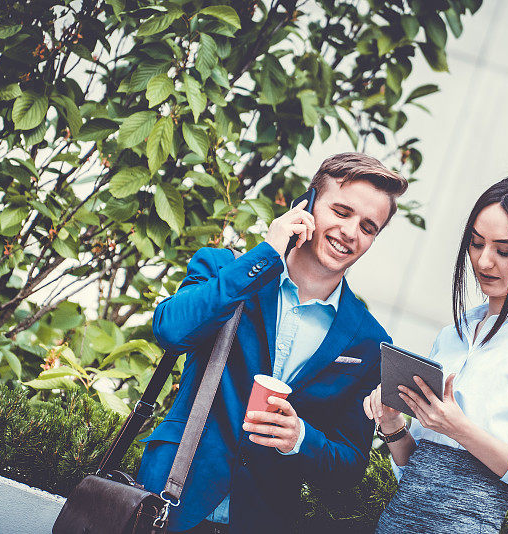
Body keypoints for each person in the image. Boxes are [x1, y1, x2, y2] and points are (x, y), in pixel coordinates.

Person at [137, 153, 408, 533]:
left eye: (368, 226)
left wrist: (301, 439)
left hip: (261, 520)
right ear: (308, 204)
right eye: (341, 212)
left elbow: (348, 466)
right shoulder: (225, 270)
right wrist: (266, 254)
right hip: (168, 501)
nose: (350, 232)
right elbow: (170, 330)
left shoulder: (368, 340)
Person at [364, 175, 508, 533]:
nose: (483, 262)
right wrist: (392, 427)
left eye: (504, 250)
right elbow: (414, 468)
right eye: (476, 243)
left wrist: (461, 429)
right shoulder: (454, 334)